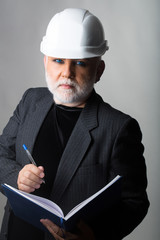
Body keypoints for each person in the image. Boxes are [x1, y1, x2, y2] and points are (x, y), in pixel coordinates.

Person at [0, 8, 149, 240]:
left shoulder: (119, 128)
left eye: (80, 63)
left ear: (98, 70)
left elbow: (134, 202)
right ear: (46, 62)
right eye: (58, 60)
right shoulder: (30, 100)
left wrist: (93, 235)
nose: (66, 73)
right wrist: (16, 177)